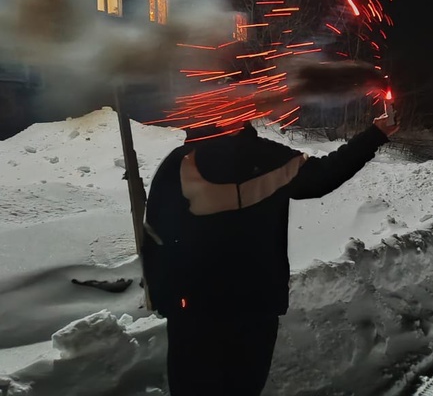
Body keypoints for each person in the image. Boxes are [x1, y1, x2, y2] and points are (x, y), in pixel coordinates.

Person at [142, 111, 399, 396]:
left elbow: (156, 237)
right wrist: (375, 134)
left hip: (222, 310)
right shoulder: (251, 159)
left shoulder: (191, 163)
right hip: (231, 308)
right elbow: (155, 237)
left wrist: (163, 298)